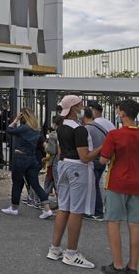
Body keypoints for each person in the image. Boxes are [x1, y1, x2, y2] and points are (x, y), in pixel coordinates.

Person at [47, 95, 102, 269]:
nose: (83, 107)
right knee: (76, 211)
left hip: (63, 166)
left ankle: (54, 248)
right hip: (78, 168)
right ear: (74, 108)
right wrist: (103, 147)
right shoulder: (79, 129)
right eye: (80, 104)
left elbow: (60, 150)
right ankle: (71, 252)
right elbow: (85, 157)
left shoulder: (61, 126)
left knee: (64, 207)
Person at [99, 99, 139, 274]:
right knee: (135, 225)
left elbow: (103, 159)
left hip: (116, 182)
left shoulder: (114, 135)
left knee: (113, 222)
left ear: (122, 113)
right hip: (137, 184)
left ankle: (117, 265)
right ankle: (133, 266)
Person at [1, 108, 53, 219]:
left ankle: (14, 208)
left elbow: (9, 130)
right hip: (32, 159)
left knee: (17, 183)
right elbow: (43, 145)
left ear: (23, 117)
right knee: (35, 184)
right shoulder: (37, 130)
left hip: (21, 157)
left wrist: (15, 119)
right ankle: (47, 209)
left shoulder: (24, 128)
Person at [82, 107, 109, 221]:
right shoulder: (101, 127)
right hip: (102, 160)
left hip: (92, 160)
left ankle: (97, 211)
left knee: (93, 187)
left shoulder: (86, 129)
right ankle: (96, 210)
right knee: (95, 185)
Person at [43, 115, 63, 198]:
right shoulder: (64, 132)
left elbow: (51, 150)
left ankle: (43, 199)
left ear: (54, 124)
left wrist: (45, 145)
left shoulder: (52, 135)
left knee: (52, 180)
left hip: (54, 160)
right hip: (64, 159)